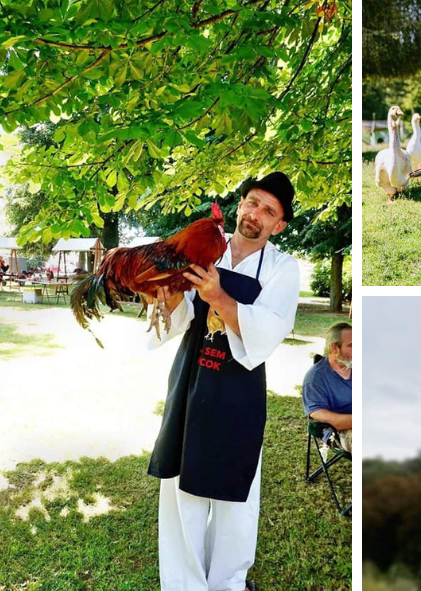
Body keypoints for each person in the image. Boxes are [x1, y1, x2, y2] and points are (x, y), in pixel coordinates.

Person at [148, 172, 301, 591]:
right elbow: (179, 320)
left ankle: (229, 584)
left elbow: (268, 330)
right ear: (241, 205)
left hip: (239, 389)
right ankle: (184, 585)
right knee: (183, 491)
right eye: (252, 202)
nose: (256, 214)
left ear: (279, 225)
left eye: (269, 211)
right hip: (193, 378)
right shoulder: (205, 250)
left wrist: (217, 296)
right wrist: (171, 299)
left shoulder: (283, 269)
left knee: (236, 492)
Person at [302, 322, 353, 453]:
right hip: (340, 432)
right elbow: (320, 416)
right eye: (352, 345)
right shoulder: (315, 378)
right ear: (335, 348)